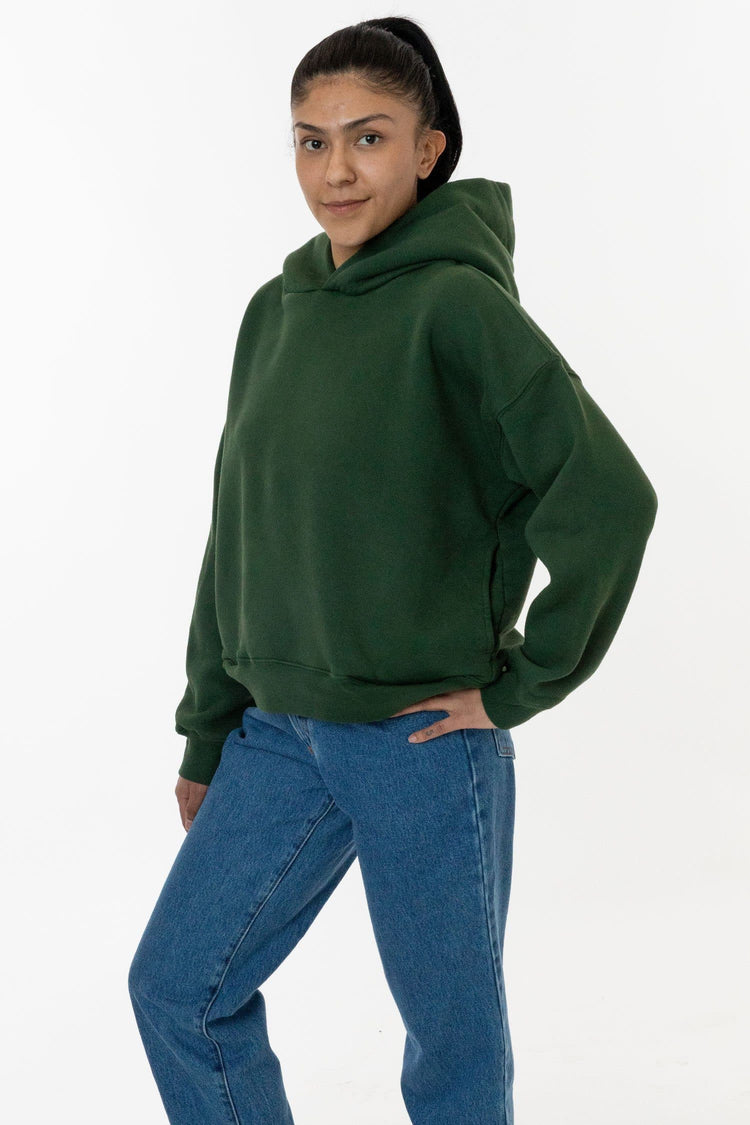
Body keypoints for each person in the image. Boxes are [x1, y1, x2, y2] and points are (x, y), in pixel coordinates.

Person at [127, 16, 658, 1125]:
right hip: (278, 734)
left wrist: (520, 686)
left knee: (450, 1056)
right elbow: (238, 530)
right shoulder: (273, 313)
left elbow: (609, 500)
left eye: (368, 138)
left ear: (428, 149)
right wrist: (208, 727)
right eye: (311, 141)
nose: (336, 170)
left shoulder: (458, 307)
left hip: (419, 741)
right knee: (179, 990)